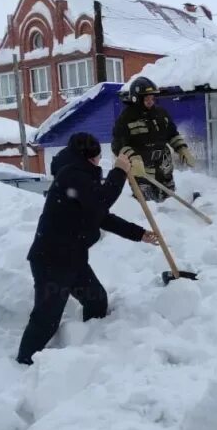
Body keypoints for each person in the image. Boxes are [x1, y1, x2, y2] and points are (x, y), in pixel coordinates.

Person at [16, 132, 159, 365]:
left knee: (96, 300)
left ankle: (88, 347)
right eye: (97, 157)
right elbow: (101, 201)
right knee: (47, 316)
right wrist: (120, 171)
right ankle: (25, 362)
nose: (98, 162)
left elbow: (101, 216)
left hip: (72, 259)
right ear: (88, 157)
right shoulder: (72, 175)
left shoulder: (81, 178)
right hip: (52, 260)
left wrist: (139, 234)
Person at [112, 76, 196, 202]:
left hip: (164, 165)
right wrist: (133, 158)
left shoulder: (161, 113)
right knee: (147, 204)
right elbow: (118, 144)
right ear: (136, 98)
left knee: (169, 201)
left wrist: (182, 149)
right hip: (142, 169)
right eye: (146, 98)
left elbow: (172, 134)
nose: (151, 101)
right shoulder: (126, 118)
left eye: (152, 98)